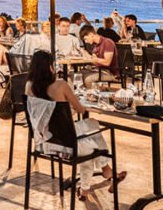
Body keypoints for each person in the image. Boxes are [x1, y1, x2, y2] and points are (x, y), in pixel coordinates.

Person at [25, 50, 126, 200]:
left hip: (46, 143)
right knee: (90, 140)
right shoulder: (60, 85)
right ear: (50, 67)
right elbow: (80, 109)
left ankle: (86, 189)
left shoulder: (29, 86)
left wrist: (64, 112)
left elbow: (44, 113)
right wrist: (70, 109)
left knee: (89, 130)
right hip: (67, 146)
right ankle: (106, 170)